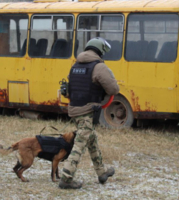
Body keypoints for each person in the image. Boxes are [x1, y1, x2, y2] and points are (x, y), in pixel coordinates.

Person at [59, 37, 120, 189]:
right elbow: (113, 89)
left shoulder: (75, 66)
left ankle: (102, 173)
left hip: (75, 109)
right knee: (79, 145)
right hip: (87, 111)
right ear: (100, 51)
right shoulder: (99, 67)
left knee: (91, 140)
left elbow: (70, 90)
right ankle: (66, 178)